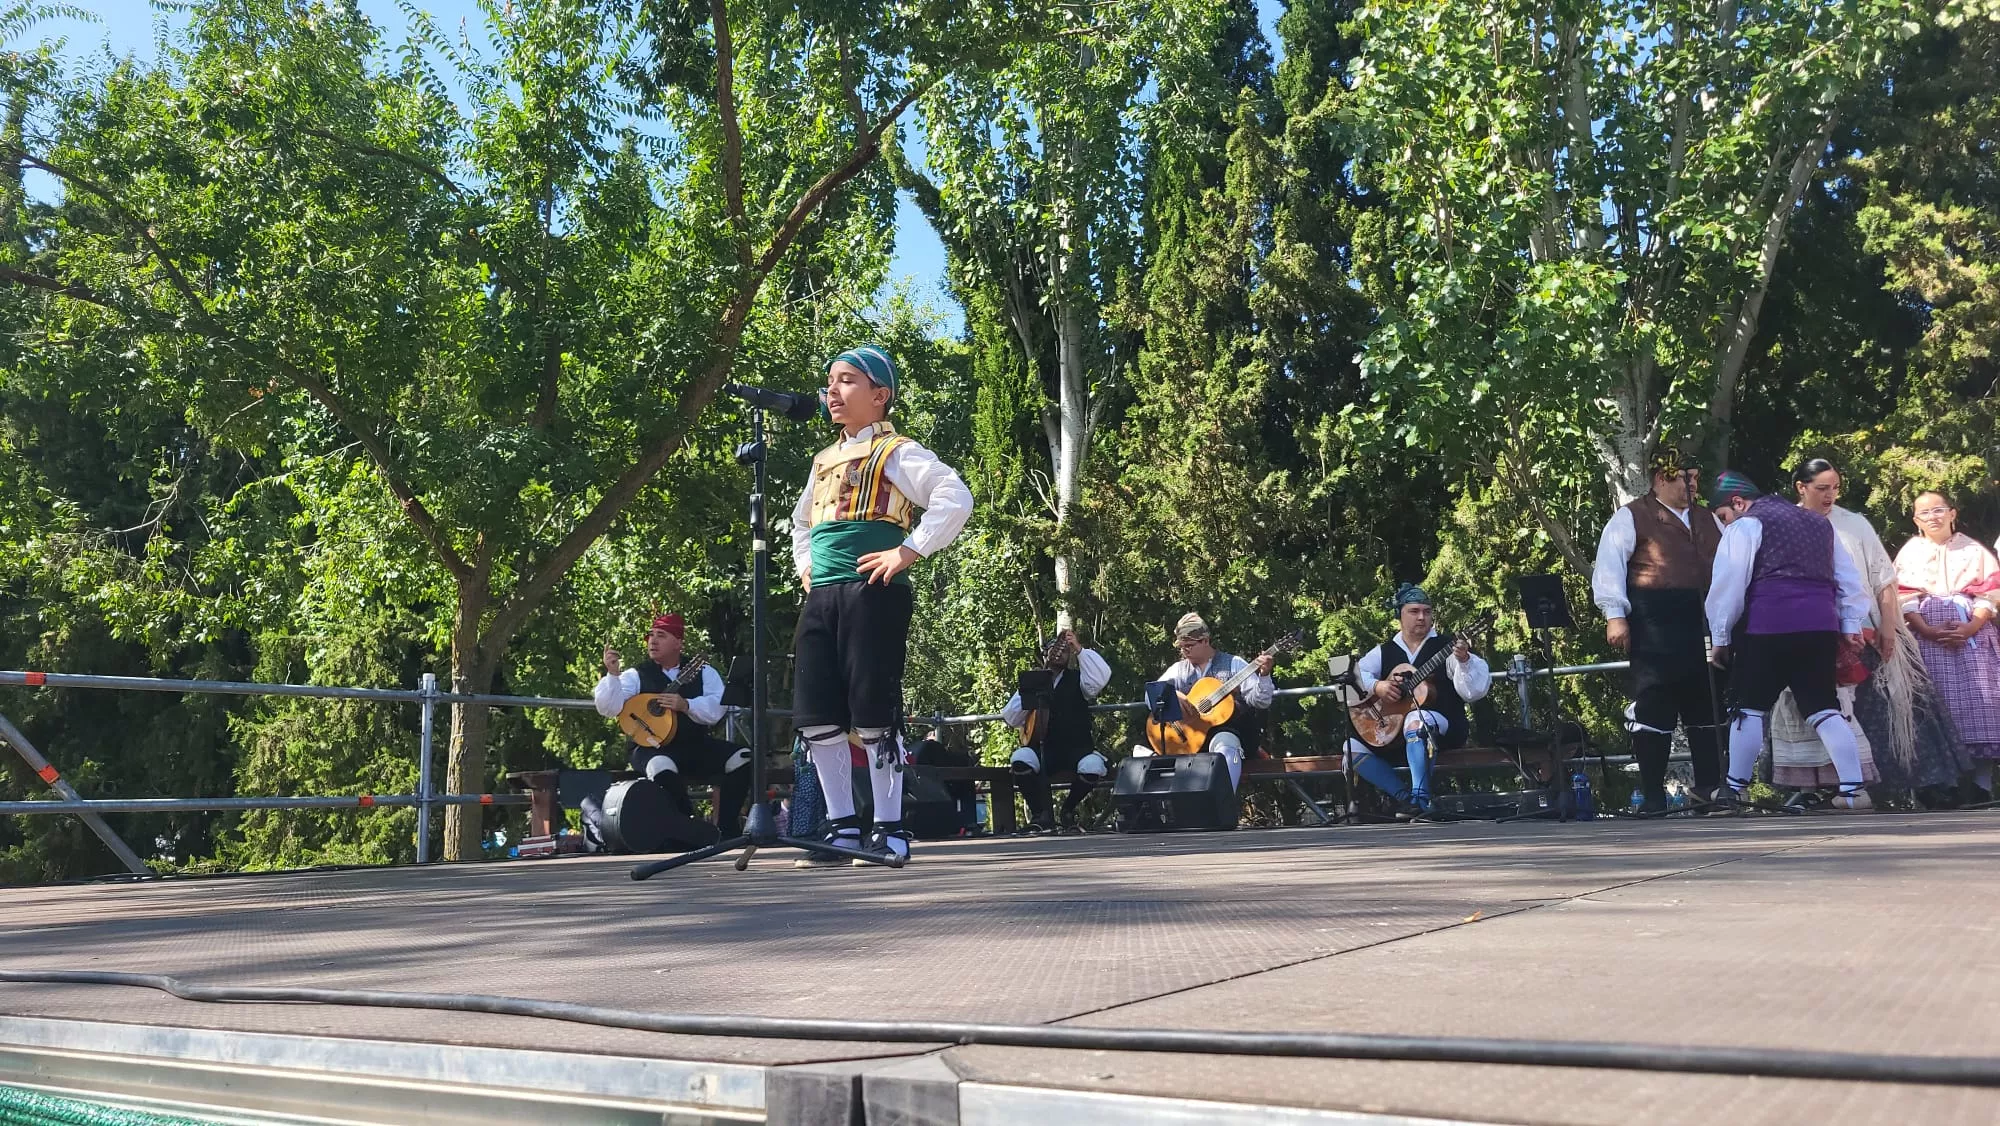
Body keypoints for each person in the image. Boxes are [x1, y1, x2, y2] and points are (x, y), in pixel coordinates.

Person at [790, 345, 973, 867]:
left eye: (847, 381)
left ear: (879, 395)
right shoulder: (822, 460)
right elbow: (802, 523)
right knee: (817, 716)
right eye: (830, 381)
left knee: (873, 710)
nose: (832, 392)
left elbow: (953, 494)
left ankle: (889, 828)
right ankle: (843, 828)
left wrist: (909, 549)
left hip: (872, 591)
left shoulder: (895, 451)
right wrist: (806, 567)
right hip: (823, 593)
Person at [1705, 472, 1874, 810]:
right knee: (1823, 706)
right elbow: (1847, 577)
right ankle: (1854, 792)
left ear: (1736, 503)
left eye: (1723, 517)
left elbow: (1729, 584)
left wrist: (1720, 636)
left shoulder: (1747, 524)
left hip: (1769, 625)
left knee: (1748, 707)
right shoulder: (1818, 524)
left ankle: (1735, 789)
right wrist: (1851, 622)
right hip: (1820, 627)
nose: (1726, 524)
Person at [1590, 445, 1727, 813]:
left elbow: (1728, 568)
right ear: (1661, 478)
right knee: (1654, 707)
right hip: (1655, 622)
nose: (1693, 485)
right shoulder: (1633, 516)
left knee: (1707, 706)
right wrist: (1615, 615)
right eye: (1686, 478)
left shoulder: (1708, 519)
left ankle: (1708, 792)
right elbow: (1609, 567)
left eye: (1696, 478)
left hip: (1702, 620)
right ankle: (1652, 795)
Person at [593, 612, 752, 838]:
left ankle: (726, 829)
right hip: (650, 748)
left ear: (678, 642)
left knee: (743, 757)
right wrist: (612, 675)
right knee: (661, 766)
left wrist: (686, 705)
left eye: (661, 635)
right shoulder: (636, 675)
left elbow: (718, 708)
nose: (653, 641)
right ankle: (685, 828)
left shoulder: (703, 672)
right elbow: (609, 708)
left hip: (694, 744)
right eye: (651, 636)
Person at [1344, 584, 1492, 817]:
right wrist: (1378, 686)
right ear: (1400, 615)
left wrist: (1463, 661)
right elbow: (1351, 677)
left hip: (1445, 728)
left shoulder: (1446, 647)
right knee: (1350, 747)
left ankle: (1421, 799)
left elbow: (1472, 692)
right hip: (1394, 734)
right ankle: (1405, 799)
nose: (1422, 617)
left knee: (1416, 719)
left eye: (1427, 611)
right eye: (1414, 611)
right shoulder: (1384, 651)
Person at [1894, 490, 2000, 803]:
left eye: (1939, 510)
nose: (1933, 517)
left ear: (1952, 513)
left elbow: (1990, 594)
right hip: (1927, 641)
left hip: (1973, 641)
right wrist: (1925, 628)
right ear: (1916, 520)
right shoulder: (1910, 552)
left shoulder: (1974, 550)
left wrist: (1971, 626)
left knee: (1982, 704)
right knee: (1934, 708)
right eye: (1924, 513)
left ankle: (1981, 784)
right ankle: (1945, 784)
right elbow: (1900, 596)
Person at [1130, 613, 1275, 793]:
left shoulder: (1234, 664)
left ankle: (1222, 800)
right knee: (1140, 753)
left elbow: (1261, 701)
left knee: (1225, 744)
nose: (1185, 651)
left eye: (1189, 646)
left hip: (1227, 733)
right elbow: (1149, 696)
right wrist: (1172, 695)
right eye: (1182, 647)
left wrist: (1264, 675)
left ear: (1205, 641)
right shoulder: (1178, 669)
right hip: (1188, 740)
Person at [1000, 629, 1113, 833]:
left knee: (1093, 766)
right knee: (1020, 759)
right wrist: (1029, 690)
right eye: (1055, 650)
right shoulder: (1034, 681)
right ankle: (1039, 815)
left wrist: (1079, 650)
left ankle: (1068, 811)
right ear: (1046, 653)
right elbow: (1011, 716)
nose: (1060, 654)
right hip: (1045, 748)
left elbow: (1099, 680)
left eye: (1065, 652)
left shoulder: (1078, 679)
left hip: (1076, 747)